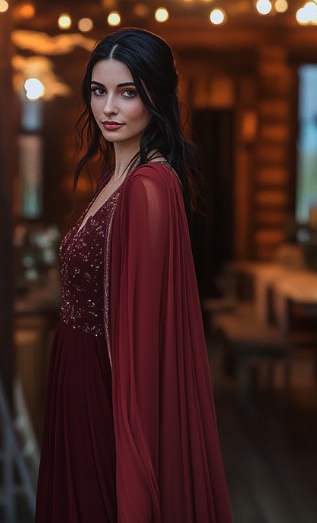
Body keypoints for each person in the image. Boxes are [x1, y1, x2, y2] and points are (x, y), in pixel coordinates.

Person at [36, 28, 233, 523]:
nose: (109, 108)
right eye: (99, 91)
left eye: (128, 92)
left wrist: (135, 453)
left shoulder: (148, 187)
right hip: (76, 378)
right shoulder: (113, 175)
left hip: (107, 391)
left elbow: (143, 339)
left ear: (156, 96)